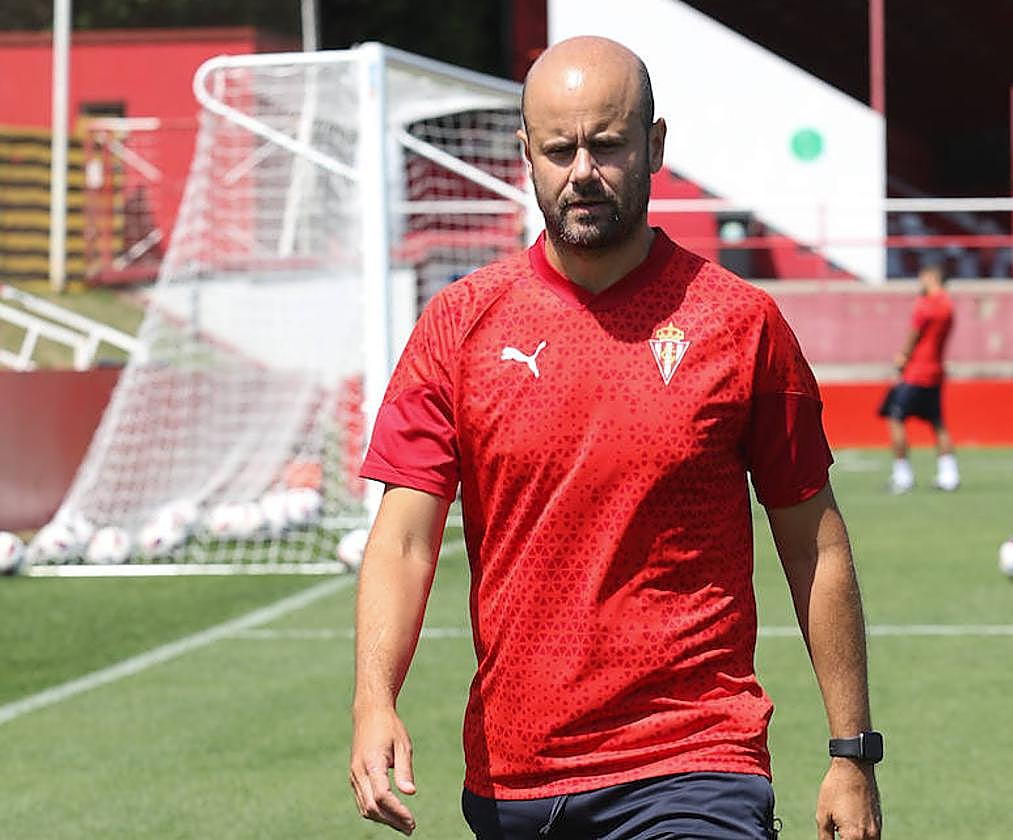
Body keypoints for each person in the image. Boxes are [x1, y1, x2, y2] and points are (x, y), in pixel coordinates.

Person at [350, 36, 882, 840]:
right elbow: (403, 541)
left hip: (693, 759)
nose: (582, 172)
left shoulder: (740, 324)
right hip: (515, 779)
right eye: (558, 150)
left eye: (606, 145)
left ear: (653, 146)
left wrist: (851, 752)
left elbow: (814, 544)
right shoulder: (458, 325)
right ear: (525, 155)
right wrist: (373, 699)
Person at [878, 262, 959, 493]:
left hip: (917, 371)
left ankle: (902, 475)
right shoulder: (948, 306)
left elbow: (914, 332)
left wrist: (903, 356)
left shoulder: (926, 304)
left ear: (932, 278)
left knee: (895, 417)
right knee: (937, 422)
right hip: (935, 371)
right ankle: (949, 474)